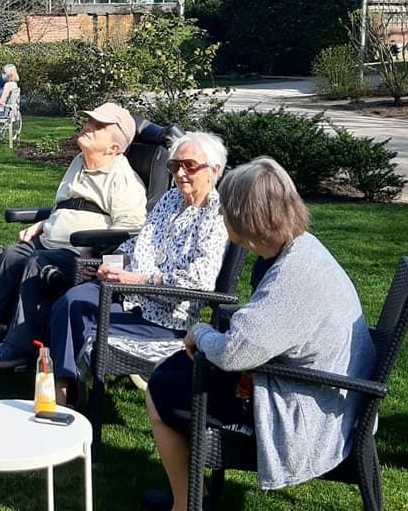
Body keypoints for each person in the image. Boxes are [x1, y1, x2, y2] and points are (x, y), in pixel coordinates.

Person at [143, 156, 376, 510]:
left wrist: (200, 332)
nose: (221, 216)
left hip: (307, 413)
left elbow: (236, 353)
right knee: (175, 371)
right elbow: (258, 332)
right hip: (314, 390)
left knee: (160, 388)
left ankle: (186, 505)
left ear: (244, 219)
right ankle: (193, 496)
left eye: (226, 211)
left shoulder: (292, 276)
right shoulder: (300, 248)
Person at [0, 133, 230, 395]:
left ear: (214, 170)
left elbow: (198, 283)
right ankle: (69, 383)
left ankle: (63, 390)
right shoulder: (170, 201)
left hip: (164, 316)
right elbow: (136, 243)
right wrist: (111, 264)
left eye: (189, 165)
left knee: (74, 306)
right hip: (128, 294)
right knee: (68, 300)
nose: (180, 173)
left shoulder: (215, 216)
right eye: (174, 166)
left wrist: (134, 280)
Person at [0, 103, 148, 354]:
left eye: (98, 126)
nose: (88, 126)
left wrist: (101, 263)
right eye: (89, 121)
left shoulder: (124, 179)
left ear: (114, 147)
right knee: (14, 253)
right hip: (51, 242)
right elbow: (69, 206)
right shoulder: (80, 161)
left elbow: (131, 231)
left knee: (37, 261)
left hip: (80, 257)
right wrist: (43, 224)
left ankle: (19, 345)